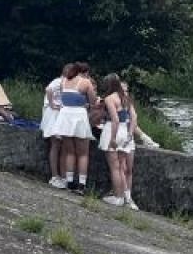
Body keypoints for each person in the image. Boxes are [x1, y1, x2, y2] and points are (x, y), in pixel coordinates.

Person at [96, 73, 140, 209]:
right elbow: (134, 117)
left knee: (115, 168)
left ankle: (118, 197)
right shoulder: (125, 97)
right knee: (122, 167)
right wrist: (130, 134)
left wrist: (113, 138)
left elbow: (114, 119)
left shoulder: (110, 98)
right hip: (125, 132)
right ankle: (125, 197)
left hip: (113, 131)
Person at [51, 63, 97, 193]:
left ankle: (69, 181)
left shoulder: (63, 81)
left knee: (69, 151)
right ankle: (81, 184)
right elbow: (93, 101)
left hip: (65, 115)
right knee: (83, 153)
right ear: (85, 72)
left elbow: (62, 98)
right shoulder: (86, 82)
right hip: (79, 114)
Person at [42, 63, 73, 189]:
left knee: (61, 146)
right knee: (55, 144)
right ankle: (55, 176)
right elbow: (48, 89)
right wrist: (52, 103)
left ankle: (62, 176)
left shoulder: (65, 83)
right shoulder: (58, 81)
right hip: (54, 115)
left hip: (60, 114)